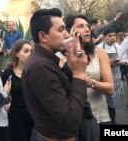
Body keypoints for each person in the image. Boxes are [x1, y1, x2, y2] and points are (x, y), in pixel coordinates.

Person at [22, 8, 89, 141]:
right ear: (43, 36)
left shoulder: (46, 60)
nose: (67, 35)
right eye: (60, 30)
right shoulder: (40, 66)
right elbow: (70, 123)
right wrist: (79, 73)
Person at [64, 15, 114, 141]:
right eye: (80, 26)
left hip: (99, 116)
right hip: (74, 118)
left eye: (87, 26)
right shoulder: (61, 55)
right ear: (70, 31)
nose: (87, 29)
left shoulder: (99, 53)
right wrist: (72, 45)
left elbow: (110, 88)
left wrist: (88, 81)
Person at [1, 39, 33, 141]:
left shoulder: (35, 71)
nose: (30, 54)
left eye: (31, 51)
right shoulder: (8, 73)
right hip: (16, 119)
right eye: (26, 51)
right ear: (17, 54)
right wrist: (6, 100)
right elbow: (2, 92)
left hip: (34, 117)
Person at [96, 28, 128, 125]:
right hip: (102, 75)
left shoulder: (119, 48)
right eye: (110, 36)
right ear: (104, 37)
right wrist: (106, 62)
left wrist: (120, 62)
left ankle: (112, 119)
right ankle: (102, 120)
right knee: (102, 99)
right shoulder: (98, 48)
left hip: (116, 75)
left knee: (113, 100)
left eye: (114, 35)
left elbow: (126, 60)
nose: (113, 38)